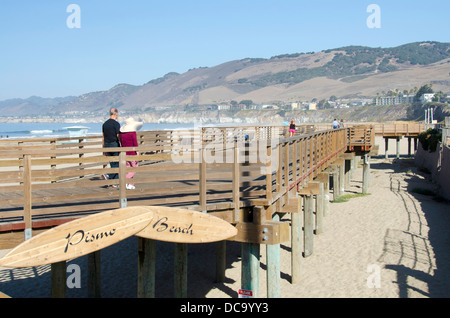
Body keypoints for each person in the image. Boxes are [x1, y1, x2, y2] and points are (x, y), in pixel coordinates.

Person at [119, 117, 143, 190]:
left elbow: (121, 142)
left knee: (129, 169)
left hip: (124, 153)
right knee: (134, 168)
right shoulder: (132, 133)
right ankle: (125, 179)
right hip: (132, 153)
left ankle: (130, 184)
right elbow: (135, 143)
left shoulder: (121, 133)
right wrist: (137, 152)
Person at [102, 108, 121, 182]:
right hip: (114, 144)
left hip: (107, 145)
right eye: (117, 114)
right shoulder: (116, 124)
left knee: (112, 163)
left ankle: (114, 182)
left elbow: (103, 137)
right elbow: (118, 136)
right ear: (115, 114)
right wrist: (121, 144)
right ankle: (108, 175)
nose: (118, 116)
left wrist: (104, 148)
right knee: (117, 163)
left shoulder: (105, 124)